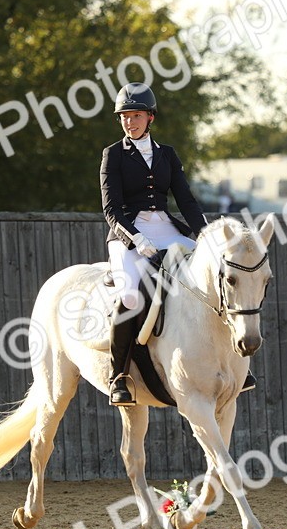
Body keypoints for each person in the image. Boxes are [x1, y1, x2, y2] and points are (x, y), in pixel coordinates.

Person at [99, 82, 255, 406]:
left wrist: (207, 237)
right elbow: (111, 209)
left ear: (150, 117)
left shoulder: (166, 154)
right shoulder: (113, 154)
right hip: (129, 233)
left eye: (136, 115)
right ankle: (119, 376)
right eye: (125, 116)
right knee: (129, 296)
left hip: (166, 228)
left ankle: (235, 364)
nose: (130, 122)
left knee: (211, 276)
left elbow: (185, 199)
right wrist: (135, 238)